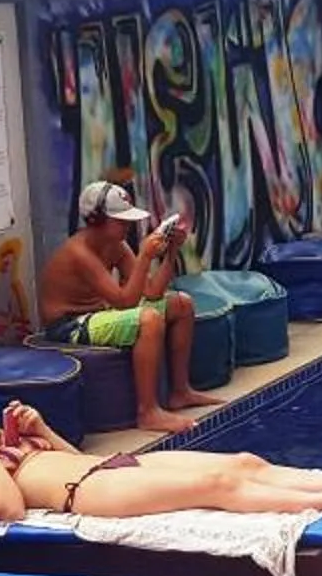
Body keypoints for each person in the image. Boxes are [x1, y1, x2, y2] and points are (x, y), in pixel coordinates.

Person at [0, 394, 322, 523]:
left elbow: (75, 457)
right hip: (87, 495)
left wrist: (40, 432)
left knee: (240, 460)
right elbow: (8, 512)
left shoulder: (1, 449)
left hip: (105, 469)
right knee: (216, 485)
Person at [37, 180, 226, 435]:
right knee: (148, 320)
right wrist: (146, 256)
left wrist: (171, 252)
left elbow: (152, 292)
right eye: (121, 221)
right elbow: (125, 301)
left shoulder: (116, 245)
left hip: (99, 313)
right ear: (97, 220)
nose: (128, 226)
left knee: (181, 304)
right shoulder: (79, 252)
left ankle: (180, 391)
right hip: (69, 325)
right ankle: (147, 412)